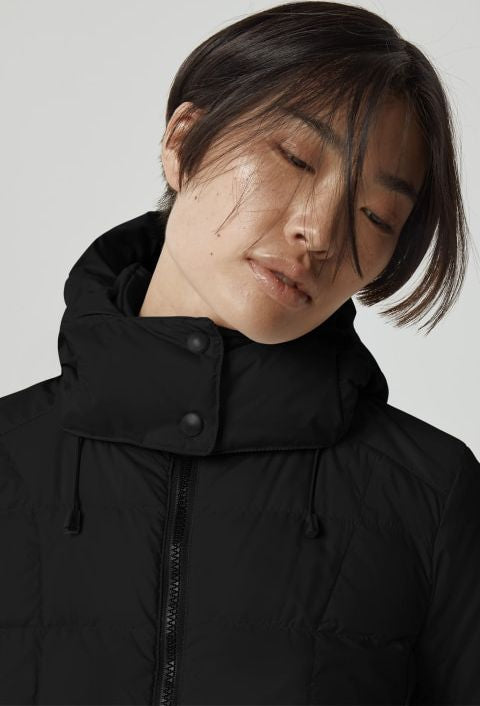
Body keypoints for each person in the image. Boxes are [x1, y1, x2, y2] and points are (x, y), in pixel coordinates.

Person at [1, 2, 479, 704]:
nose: (320, 231)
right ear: (183, 141)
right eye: (295, 158)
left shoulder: (430, 494)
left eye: (376, 215)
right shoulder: (11, 456)